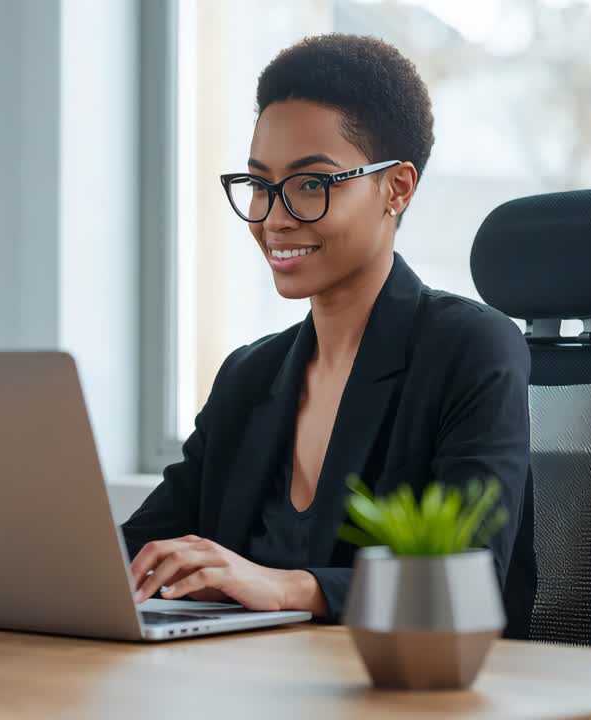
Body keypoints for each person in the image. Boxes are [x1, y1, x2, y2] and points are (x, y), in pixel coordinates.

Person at [121, 33, 537, 638]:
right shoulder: (249, 376)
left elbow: (463, 576)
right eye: (260, 185)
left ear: (396, 188)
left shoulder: (470, 348)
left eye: (311, 184)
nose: (273, 217)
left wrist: (285, 586)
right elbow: (142, 548)